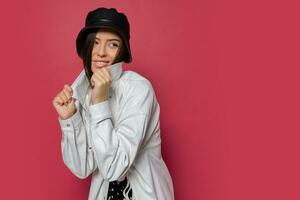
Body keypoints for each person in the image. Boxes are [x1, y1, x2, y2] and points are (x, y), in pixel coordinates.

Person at [52, 7, 174, 200]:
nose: (101, 52)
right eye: (96, 42)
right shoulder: (83, 92)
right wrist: (70, 120)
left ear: (122, 51)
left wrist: (99, 103)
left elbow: (115, 168)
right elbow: (83, 167)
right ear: (87, 46)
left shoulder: (138, 89)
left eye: (113, 44)